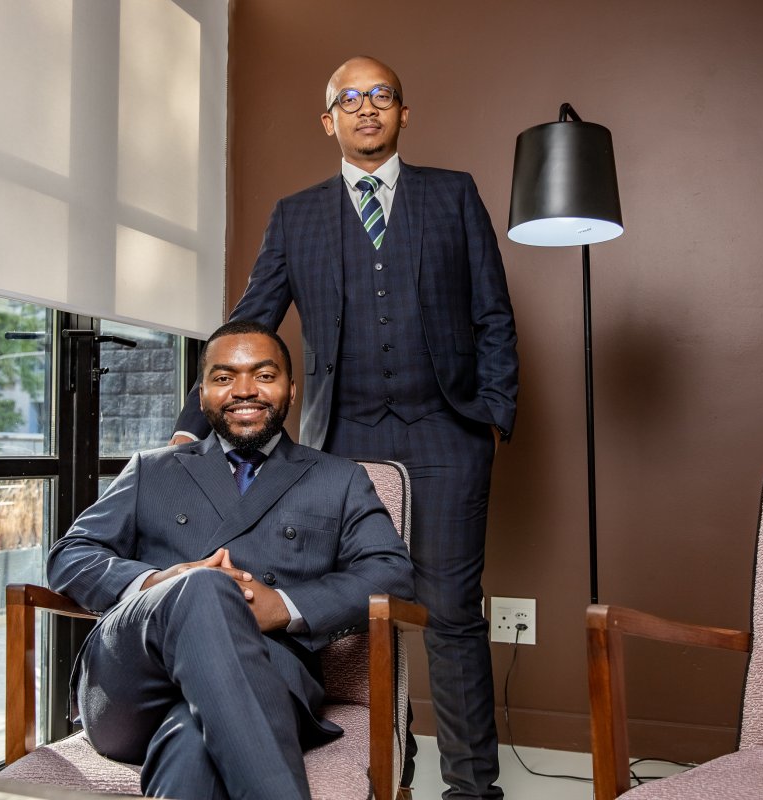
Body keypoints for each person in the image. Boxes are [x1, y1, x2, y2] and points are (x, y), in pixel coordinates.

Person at [171, 57, 518, 799]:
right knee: (352, 616)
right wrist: (188, 423)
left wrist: (492, 414)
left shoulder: (453, 195)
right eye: (349, 99)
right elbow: (251, 320)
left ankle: (473, 789)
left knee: (452, 612)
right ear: (328, 120)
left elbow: (493, 313)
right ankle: (382, 772)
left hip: (446, 434)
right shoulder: (296, 216)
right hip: (342, 441)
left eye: (381, 95)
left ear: (402, 112)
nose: (366, 108)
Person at [49, 320, 415, 800]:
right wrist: (161, 582)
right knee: (202, 586)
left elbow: (392, 572)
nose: (244, 390)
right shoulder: (151, 469)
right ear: (202, 395)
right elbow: (70, 556)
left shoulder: (338, 479)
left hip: (268, 672)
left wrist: (283, 606)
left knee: (193, 744)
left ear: (291, 389)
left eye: (264, 375)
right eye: (224, 378)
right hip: (132, 686)